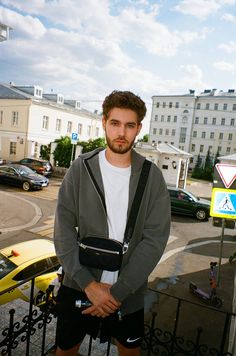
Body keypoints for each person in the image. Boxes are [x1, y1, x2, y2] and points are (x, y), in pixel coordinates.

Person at [54, 90, 171, 356]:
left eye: (130, 125)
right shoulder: (80, 168)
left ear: (139, 128)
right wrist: (88, 284)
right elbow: (62, 231)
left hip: (128, 294)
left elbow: (154, 241)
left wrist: (116, 293)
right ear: (104, 122)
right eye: (115, 123)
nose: (122, 132)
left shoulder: (152, 178)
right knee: (65, 351)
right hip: (78, 285)